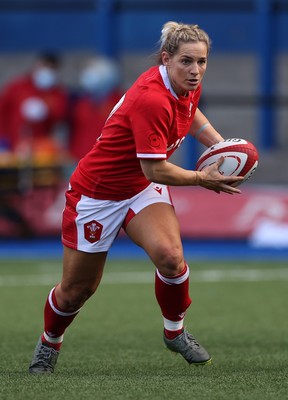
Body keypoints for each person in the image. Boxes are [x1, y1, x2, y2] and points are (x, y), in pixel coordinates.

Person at [29, 21, 243, 374]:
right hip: (98, 194)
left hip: (139, 188)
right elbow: (155, 171)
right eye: (187, 62)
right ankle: (50, 342)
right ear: (166, 59)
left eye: (202, 62)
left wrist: (221, 147)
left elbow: (189, 117)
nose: (195, 70)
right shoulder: (152, 98)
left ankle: (175, 332)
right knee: (76, 291)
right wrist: (202, 178)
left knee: (171, 256)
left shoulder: (185, 84)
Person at [0, 53, 69, 159]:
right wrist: (3, 140)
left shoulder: (57, 93)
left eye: (52, 68)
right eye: (44, 66)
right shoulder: (18, 86)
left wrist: (46, 111)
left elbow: (60, 116)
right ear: (36, 66)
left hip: (40, 148)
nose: (47, 70)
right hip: (12, 144)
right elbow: (2, 110)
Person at [69, 56, 123, 161]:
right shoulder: (82, 102)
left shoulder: (120, 102)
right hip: (80, 158)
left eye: (93, 73)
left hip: (109, 160)